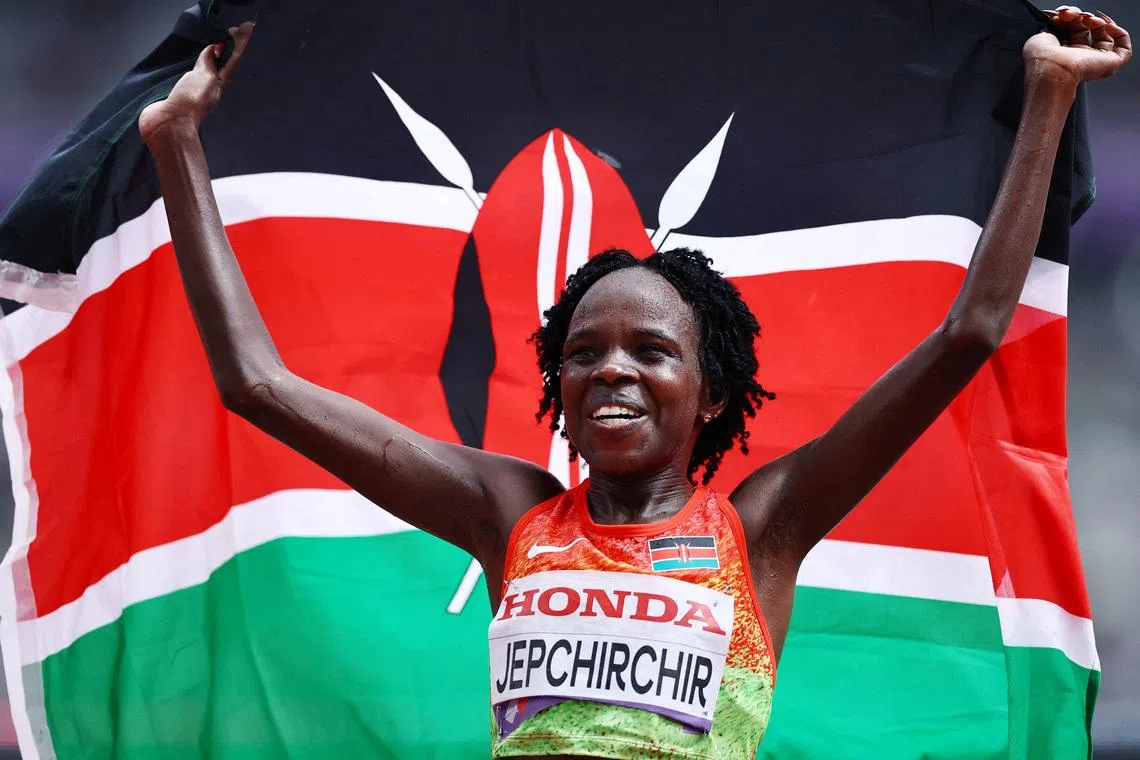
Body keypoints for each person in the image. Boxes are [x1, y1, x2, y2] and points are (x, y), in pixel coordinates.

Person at [138, 6, 1130, 759]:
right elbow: (256, 384)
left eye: (650, 350)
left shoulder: (762, 527)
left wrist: (1048, 92)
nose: (610, 366)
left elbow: (971, 332)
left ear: (708, 392)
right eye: (581, 351)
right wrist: (177, 148)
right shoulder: (507, 511)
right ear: (556, 385)